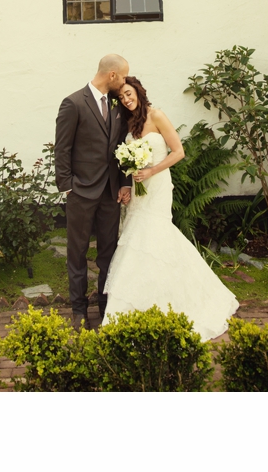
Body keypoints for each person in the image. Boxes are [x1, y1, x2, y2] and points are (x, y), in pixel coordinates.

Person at [103, 76, 239, 341]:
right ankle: (137, 302)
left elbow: (178, 152)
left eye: (129, 94)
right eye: (121, 98)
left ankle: (177, 298)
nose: (126, 100)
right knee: (136, 237)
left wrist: (152, 169)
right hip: (139, 187)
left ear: (139, 92)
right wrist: (130, 182)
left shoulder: (157, 115)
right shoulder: (129, 123)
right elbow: (126, 159)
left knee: (156, 234)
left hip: (158, 186)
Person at [54, 54, 132, 328]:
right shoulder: (73, 103)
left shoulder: (115, 105)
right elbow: (61, 149)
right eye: (122, 77)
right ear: (111, 75)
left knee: (108, 253)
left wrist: (125, 182)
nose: (124, 82)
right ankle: (79, 310)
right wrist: (67, 188)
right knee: (77, 254)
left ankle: (105, 306)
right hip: (81, 193)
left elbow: (121, 148)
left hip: (110, 193)